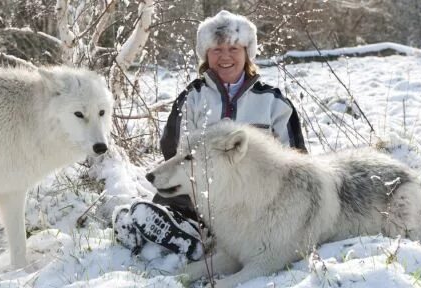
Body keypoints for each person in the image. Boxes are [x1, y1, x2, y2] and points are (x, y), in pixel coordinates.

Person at [113, 10, 307, 261]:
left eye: (233, 49)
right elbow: (175, 151)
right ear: (206, 54)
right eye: (216, 50)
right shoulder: (192, 98)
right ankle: (173, 229)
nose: (225, 56)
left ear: (247, 52)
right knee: (170, 197)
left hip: (257, 202)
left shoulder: (273, 102)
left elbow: (296, 161)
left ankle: (188, 237)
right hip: (198, 196)